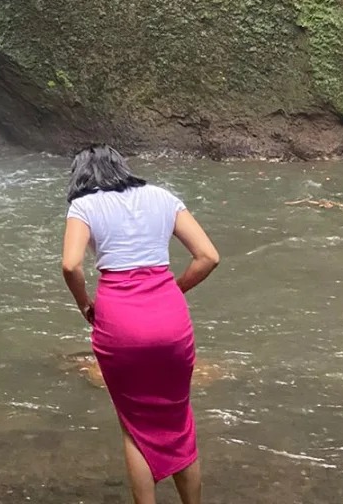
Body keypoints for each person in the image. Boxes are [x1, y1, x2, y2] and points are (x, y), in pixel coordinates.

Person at [60, 145, 220, 504]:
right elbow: (208, 256)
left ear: (81, 176)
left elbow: (71, 266)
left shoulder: (84, 206)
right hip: (170, 317)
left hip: (119, 321)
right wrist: (171, 291)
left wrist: (85, 305)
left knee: (135, 427)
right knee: (180, 420)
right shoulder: (162, 196)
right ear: (121, 166)